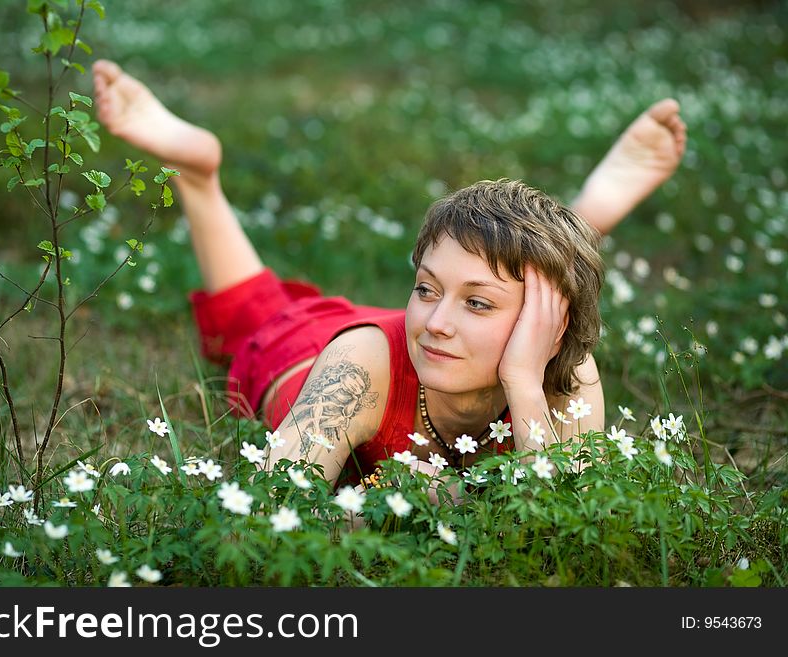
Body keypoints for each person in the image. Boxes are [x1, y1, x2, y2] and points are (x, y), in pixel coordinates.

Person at [92, 60, 686, 489]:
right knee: (262, 314)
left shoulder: (566, 370)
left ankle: (579, 229)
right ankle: (200, 177)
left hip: (455, 341)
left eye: (477, 304)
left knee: (522, 267)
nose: (435, 323)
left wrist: (526, 384)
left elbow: (573, 519)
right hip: (316, 351)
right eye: (425, 288)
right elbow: (272, 508)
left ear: (548, 323)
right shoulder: (360, 368)